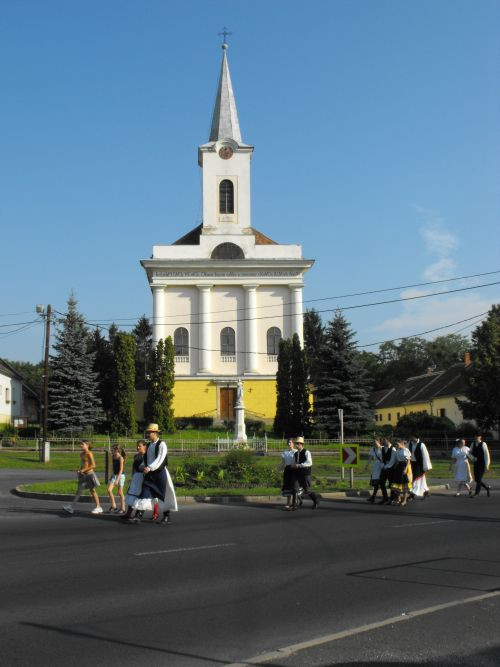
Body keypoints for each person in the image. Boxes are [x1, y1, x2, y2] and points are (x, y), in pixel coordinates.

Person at [131, 423, 178, 524]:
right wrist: (143, 466)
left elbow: (160, 459)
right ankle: (138, 516)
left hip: (160, 474)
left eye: (150, 432)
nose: (148, 434)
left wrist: (150, 467)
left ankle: (166, 517)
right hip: (150, 473)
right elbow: (147, 458)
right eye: (148, 432)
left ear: (155, 433)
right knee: (144, 492)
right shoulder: (148, 445)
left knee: (161, 495)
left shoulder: (162, 444)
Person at [63, 440, 102, 515]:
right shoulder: (81, 454)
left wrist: (83, 470)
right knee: (79, 491)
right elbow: (83, 464)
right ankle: (71, 508)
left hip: (89, 475)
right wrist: (80, 470)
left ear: (87, 445)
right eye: (80, 444)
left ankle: (98, 507)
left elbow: (93, 465)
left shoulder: (89, 453)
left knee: (92, 490)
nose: (81, 445)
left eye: (82, 444)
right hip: (83, 475)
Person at [121, 440, 148, 520]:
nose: (137, 447)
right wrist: (133, 476)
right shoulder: (136, 456)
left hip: (143, 477)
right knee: (131, 494)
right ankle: (128, 514)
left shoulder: (147, 456)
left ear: (144, 446)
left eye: (139, 446)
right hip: (136, 477)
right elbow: (134, 467)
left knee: (141, 496)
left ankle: (138, 515)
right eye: (137, 446)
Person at [292, 436, 319, 509]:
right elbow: (295, 462)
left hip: (305, 473)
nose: (296, 445)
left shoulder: (306, 452)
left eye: (298, 443)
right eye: (296, 443)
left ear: (301, 444)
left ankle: (315, 500)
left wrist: (300, 465)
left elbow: (309, 462)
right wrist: (294, 465)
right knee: (295, 488)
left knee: (307, 490)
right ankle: (294, 505)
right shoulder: (295, 454)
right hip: (297, 473)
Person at [390, 439, 412, 506]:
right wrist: (394, 467)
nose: (396, 445)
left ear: (401, 443)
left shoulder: (406, 450)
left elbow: (408, 461)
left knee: (404, 485)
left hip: (404, 467)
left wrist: (405, 469)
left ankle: (404, 500)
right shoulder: (397, 451)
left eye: (397, 444)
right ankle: (399, 499)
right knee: (396, 485)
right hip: (398, 468)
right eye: (396, 444)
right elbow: (396, 461)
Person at [107, 445, 127, 513]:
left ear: (116, 450)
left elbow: (121, 469)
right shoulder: (113, 457)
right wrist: (112, 476)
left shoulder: (121, 458)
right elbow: (113, 468)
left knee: (120, 492)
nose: (111, 451)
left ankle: (123, 508)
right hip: (114, 475)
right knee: (109, 490)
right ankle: (114, 506)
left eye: (112, 450)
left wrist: (117, 479)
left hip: (121, 476)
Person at [279, 439, 298, 510]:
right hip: (287, 470)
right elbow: (282, 462)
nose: (289, 444)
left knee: (293, 486)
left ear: (293, 443)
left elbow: (298, 461)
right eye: (288, 442)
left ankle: (295, 502)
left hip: (294, 469)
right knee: (287, 486)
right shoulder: (285, 452)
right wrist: (278, 469)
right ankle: (288, 503)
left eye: (290, 442)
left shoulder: (296, 451)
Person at [378, 438, 396, 504]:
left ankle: (392, 498)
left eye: (385, 440)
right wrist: (382, 465)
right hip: (384, 467)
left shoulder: (393, 449)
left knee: (391, 484)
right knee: (382, 483)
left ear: (388, 441)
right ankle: (385, 498)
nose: (383, 441)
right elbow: (382, 458)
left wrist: (387, 466)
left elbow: (393, 460)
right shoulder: (382, 448)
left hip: (391, 468)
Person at [366, 438, 384, 502]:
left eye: (375, 442)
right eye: (373, 442)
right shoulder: (373, 449)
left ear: (379, 442)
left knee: (381, 482)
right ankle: (373, 497)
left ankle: (381, 497)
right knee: (376, 482)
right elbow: (370, 458)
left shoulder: (383, 448)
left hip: (381, 465)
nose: (374, 443)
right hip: (375, 466)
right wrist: (367, 465)